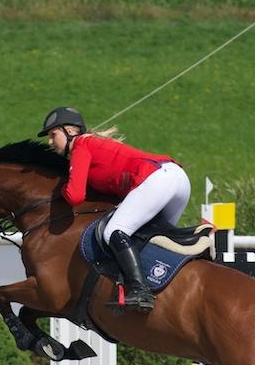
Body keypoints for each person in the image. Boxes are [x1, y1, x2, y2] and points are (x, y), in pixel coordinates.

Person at [38, 107, 191, 313]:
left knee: (114, 231)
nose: (50, 142)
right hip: (178, 179)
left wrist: (60, 188)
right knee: (154, 240)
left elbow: (75, 196)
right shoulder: (93, 143)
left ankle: (140, 291)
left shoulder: (80, 145)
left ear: (70, 131)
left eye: (53, 134)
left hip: (158, 179)